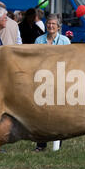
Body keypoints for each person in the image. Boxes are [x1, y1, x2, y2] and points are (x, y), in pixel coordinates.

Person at [33, 14, 71, 152]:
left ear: (58, 26)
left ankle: (57, 146)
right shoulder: (39, 40)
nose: (50, 26)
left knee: (58, 113)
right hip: (42, 80)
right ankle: (41, 144)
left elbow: (70, 61)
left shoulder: (65, 41)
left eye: (53, 24)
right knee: (40, 113)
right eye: (48, 23)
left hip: (59, 79)